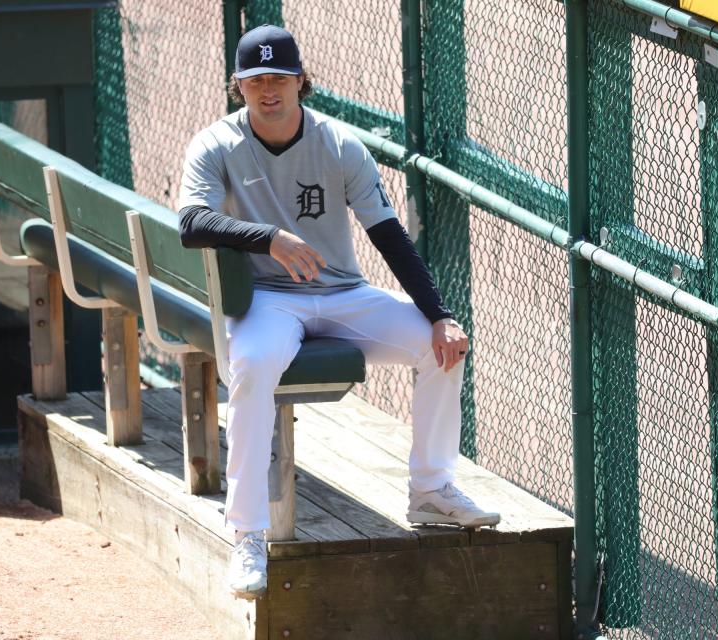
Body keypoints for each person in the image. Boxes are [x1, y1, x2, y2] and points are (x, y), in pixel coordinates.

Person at [177, 24, 500, 600]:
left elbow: (389, 235)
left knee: (441, 346)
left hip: (343, 293)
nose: (268, 90)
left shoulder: (338, 143)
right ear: (238, 88)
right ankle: (247, 534)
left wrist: (439, 313)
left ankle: (430, 490)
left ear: (302, 81)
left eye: (280, 78)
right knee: (251, 367)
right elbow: (192, 224)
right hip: (270, 300)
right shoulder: (215, 144)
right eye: (255, 81)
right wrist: (267, 238)